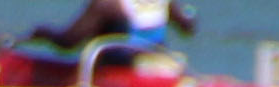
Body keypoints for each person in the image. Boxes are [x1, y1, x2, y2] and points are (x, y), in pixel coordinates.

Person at [22, 0, 196, 59]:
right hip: (159, 60)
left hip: (121, 70)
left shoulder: (106, 4)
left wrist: (43, 34)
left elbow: (68, 43)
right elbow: (187, 28)